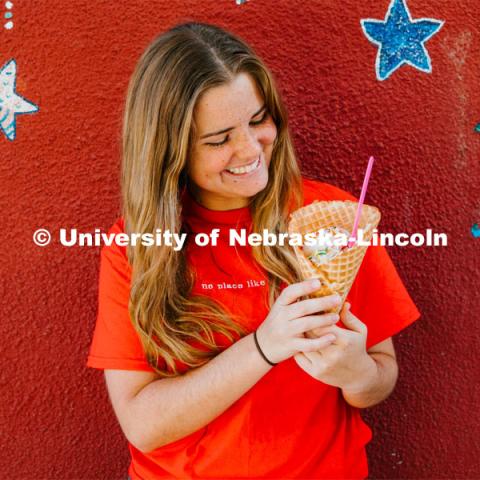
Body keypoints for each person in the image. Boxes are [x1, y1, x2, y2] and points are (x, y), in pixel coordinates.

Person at [86, 21, 420, 480]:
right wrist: (264, 346)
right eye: (220, 139)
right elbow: (143, 425)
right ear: (170, 152)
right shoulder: (135, 249)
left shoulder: (339, 218)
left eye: (258, 119)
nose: (250, 148)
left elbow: (380, 378)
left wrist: (355, 372)